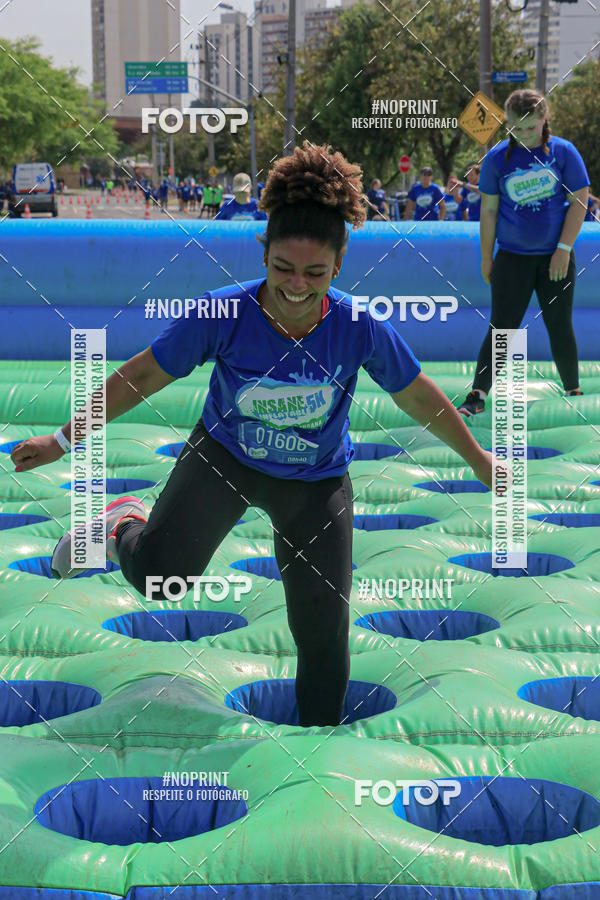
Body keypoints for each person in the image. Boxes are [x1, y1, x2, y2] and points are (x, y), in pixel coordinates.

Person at [12, 141, 500, 728]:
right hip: (225, 459)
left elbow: (417, 393)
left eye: (315, 273)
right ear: (262, 253)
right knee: (160, 582)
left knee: (322, 629)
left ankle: (319, 755)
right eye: (283, 269)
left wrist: (477, 459)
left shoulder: (358, 327)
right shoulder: (225, 314)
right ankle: (120, 525)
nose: (296, 286)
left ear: (339, 266)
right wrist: (62, 441)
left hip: (314, 482)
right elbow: (141, 374)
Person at [458, 89, 590, 416]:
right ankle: (478, 393)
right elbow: (488, 212)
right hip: (512, 258)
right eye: (517, 128)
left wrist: (563, 249)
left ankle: (572, 388)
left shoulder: (564, 153)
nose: (525, 135)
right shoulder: (496, 159)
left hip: (554, 259)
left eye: (531, 127)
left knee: (560, 324)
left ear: (545, 119)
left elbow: (580, 201)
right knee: (502, 327)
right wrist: (487, 257)